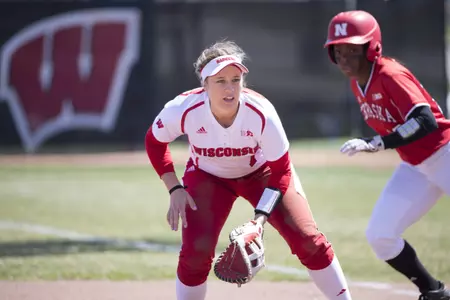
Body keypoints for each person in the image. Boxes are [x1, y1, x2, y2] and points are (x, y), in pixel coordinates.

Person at [145, 40, 352, 300]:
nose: (230, 88)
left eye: (236, 79)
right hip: (208, 178)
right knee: (195, 255)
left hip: (263, 175)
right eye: (220, 81)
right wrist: (174, 187)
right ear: (204, 84)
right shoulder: (183, 109)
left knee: (308, 240)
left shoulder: (261, 112)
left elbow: (281, 171)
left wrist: (259, 220)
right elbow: (154, 141)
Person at [324, 10, 450, 300]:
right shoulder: (357, 82)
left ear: (372, 48)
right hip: (416, 166)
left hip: (444, 153)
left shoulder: (390, 73)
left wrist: (379, 143)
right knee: (381, 235)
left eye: (352, 50)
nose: (344, 58)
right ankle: (434, 293)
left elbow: (425, 121)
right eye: (338, 51)